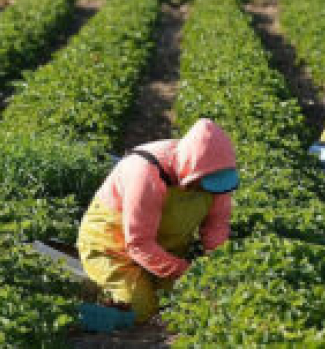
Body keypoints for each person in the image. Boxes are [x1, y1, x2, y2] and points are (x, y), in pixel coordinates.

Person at [76, 118, 239, 323]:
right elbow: (139, 243)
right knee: (141, 308)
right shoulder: (146, 172)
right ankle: (68, 313)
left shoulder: (215, 173)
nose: (203, 189)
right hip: (114, 248)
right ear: (190, 171)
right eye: (199, 183)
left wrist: (216, 268)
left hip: (166, 253)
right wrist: (186, 272)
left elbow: (217, 225)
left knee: (183, 301)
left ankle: (132, 285)